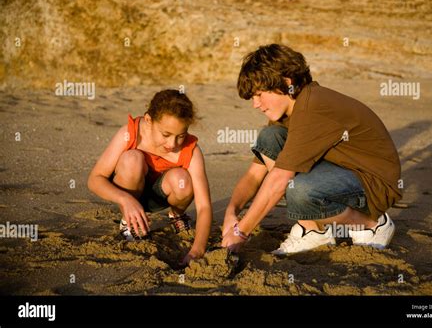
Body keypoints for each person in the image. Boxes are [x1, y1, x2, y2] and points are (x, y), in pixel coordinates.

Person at [222, 44, 402, 255]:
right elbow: (255, 174)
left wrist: (241, 232)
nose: (256, 104)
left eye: (259, 94)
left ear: (286, 82)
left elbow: (279, 180)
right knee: (269, 138)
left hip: (374, 185)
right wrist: (231, 212)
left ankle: (371, 225)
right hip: (342, 172)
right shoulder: (289, 112)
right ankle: (313, 231)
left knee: (299, 189)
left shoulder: (312, 106)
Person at [88, 89, 212, 265]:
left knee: (182, 180)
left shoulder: (191, 150)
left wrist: (197, 249)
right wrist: (125, 199)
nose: (172, 144)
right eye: (166, 134)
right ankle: (129, 223)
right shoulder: (130, 133)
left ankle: (177, 216)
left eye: (181, 136)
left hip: (162, 194)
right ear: (148, 120)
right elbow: (95, 179)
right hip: (129, 191)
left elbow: (204, 206)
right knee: (132, 158)